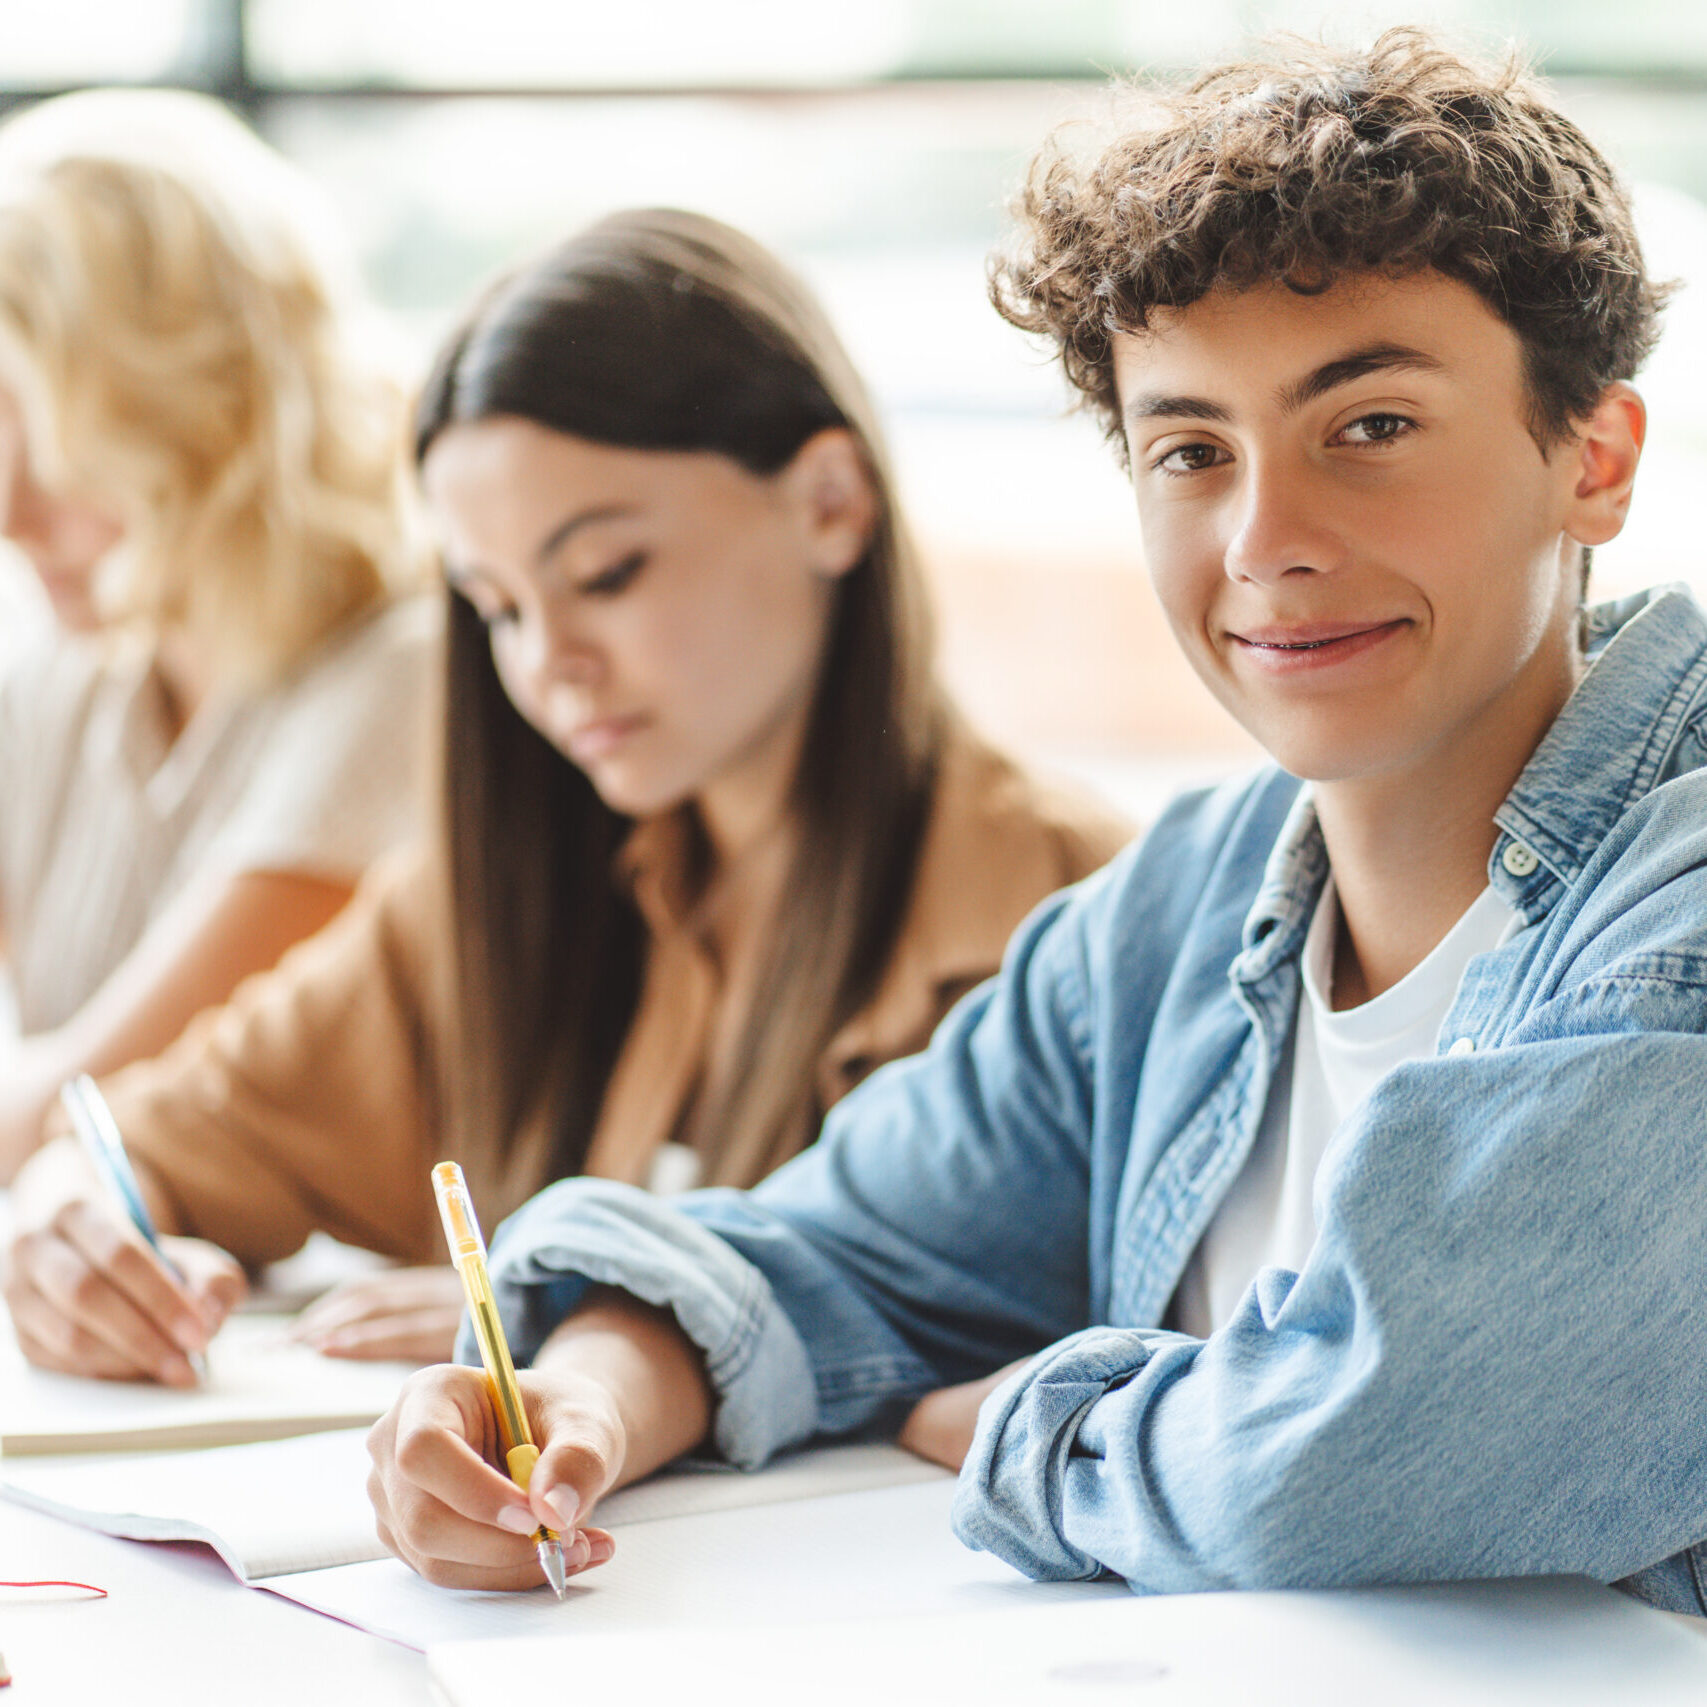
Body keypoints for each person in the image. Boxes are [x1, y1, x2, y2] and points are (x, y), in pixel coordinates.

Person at [355, 30, 1707, 1613]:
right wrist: (581, 1396)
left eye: (1369, 425)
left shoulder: (1666, 909)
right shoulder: (1181, 911)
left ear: (1591, 460)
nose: (1263, 542)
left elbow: (1365, 1443)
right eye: (1190, 450)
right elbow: (827, 1250)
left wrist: (1017, 1416)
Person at [2, 208, 1130, 1386]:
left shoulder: (1069, 908)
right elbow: (155, 1137)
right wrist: (71, 1222)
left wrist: (582, 1303)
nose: (549, 663)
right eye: (497, 607)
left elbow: (1071, 1347)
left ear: (832, 502)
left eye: (606, 573)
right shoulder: (496, 891)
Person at [0, 88, 433, 1182]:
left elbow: (76, 1110)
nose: (7, 506)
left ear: (194, 408)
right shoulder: (71, 669)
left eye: (47, 432)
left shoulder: (407, 671)